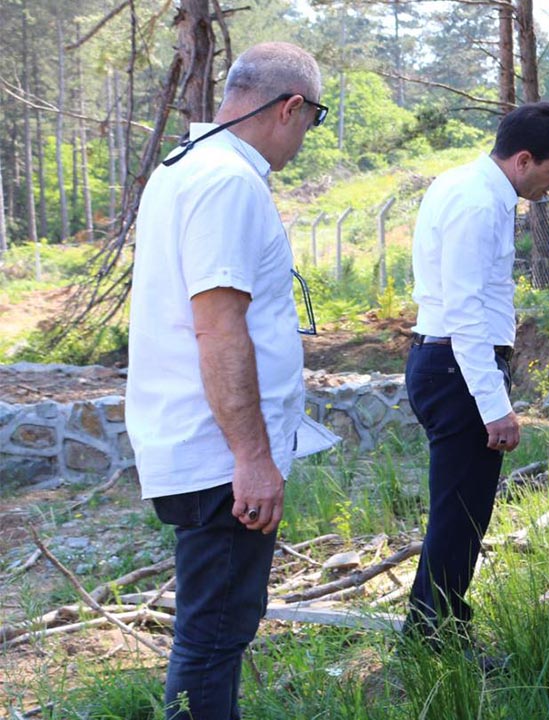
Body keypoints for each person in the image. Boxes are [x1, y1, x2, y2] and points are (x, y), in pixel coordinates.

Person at [125, 42, 325, 719]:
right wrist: (252, 457)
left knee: (211, 631)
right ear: (290, 106)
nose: (305, 135)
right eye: (313, 117)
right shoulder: (228, 181)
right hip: (220, 457)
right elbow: (218, 325)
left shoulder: (185, 166)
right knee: (215, 637)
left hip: (199, 442)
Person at [404, 102, 549, 644]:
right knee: (460, 513)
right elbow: (464, 313)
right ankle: (435, 635)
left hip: (452, 363)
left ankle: (436, 626)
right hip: (457, 367)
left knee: (462, 511)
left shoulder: (472, 187)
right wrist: (494, 404)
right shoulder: (478, 202)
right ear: (523, 159)